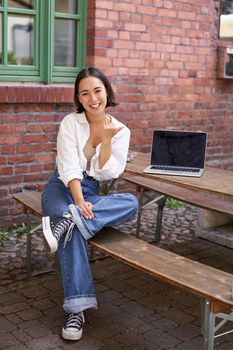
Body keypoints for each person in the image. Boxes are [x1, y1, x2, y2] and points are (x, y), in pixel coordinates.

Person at [41, 67, 138, 341]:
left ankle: (69, 220)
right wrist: (79, 204)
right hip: (61, 187)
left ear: (106, 91)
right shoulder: (70, 122)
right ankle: (76, 311)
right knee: (71, 229)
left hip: (92, 189)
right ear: (79, 98)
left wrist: (106, 139)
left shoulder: (121, 130)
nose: (92, 98)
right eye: (85, 93)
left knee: (130, 202)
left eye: (97, 90)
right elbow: (69, 167)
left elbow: (109, 173)